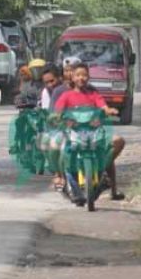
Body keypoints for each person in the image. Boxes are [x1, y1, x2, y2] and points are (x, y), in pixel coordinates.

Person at [54, 62, 126, 200]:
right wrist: (58, 118)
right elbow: (57, 112)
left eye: (84, 75)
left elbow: (102, 105)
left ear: (88, 77)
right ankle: (64, 181)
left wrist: (108, 110)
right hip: (73, 133)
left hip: (94, 132)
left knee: (117, 141)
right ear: (73, 77)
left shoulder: (93, 94)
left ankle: (112, 188)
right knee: (59, 149)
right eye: (78, 75)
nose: (81, 78)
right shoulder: (66, 96)